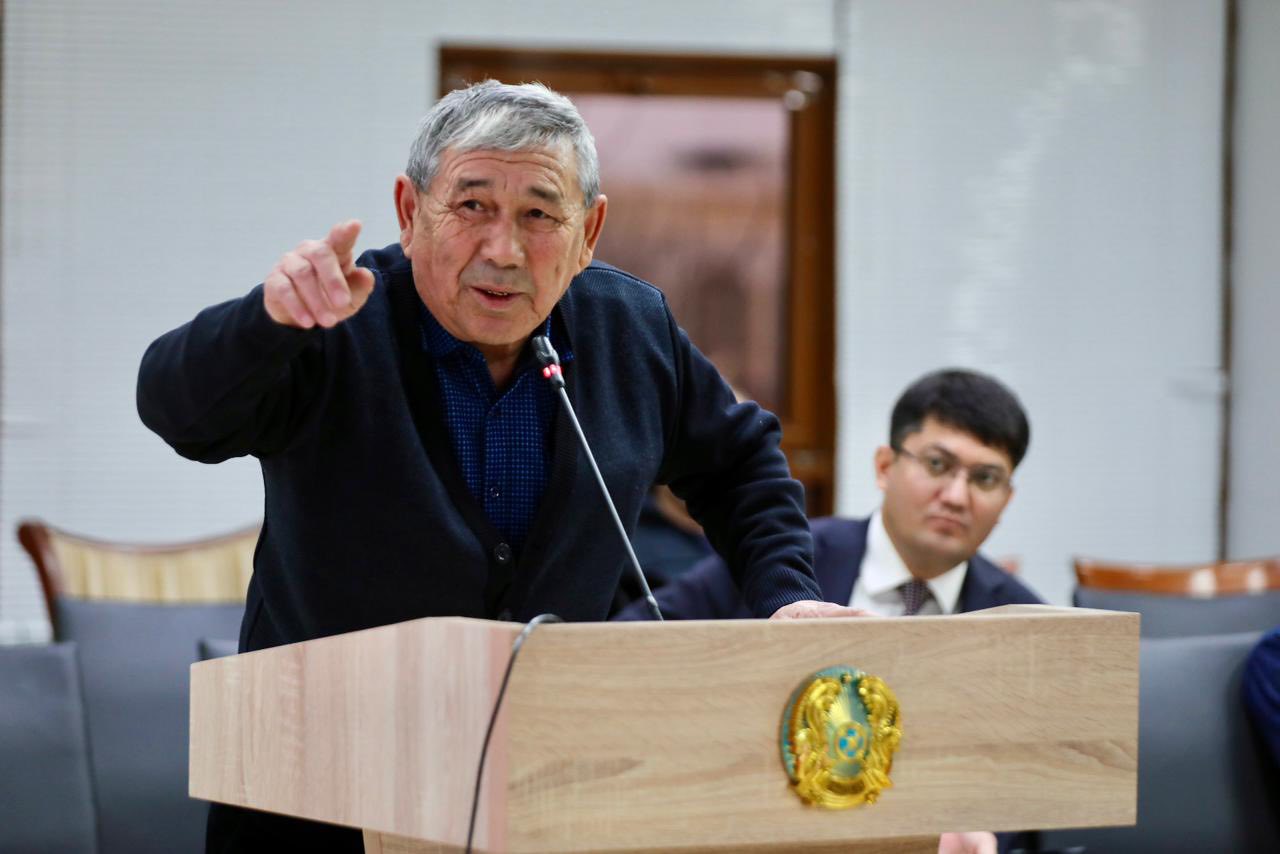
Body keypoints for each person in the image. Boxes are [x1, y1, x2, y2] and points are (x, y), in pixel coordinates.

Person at [137, 80, 850, 852]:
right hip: (321, 791)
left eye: (539, 214)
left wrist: (788, 598)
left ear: (589, 231)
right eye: (472, 205)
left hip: (541, 792)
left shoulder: (628, 328)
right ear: (410, 211)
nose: (503, 251)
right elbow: (177, 410)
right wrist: (266, 322)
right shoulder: (337, 322)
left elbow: (741, 463)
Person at [616, 368, 1043, 622]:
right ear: (885, 466)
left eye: (985, 478)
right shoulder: (776, 560)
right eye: (937, 464)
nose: (956, 496)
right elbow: (632, 638)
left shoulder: (1020, 616)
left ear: (1007, 500)